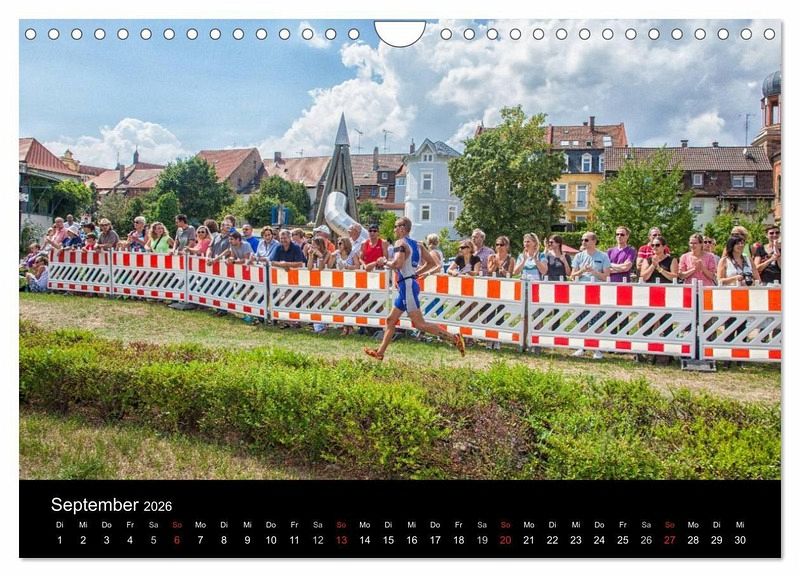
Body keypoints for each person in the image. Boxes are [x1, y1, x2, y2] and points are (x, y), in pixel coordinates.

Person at [364, 217, 465, 361]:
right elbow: (431, 263)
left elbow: (398, 264)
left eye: (396, 226)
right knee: (391, 320)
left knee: (419, 324)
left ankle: (454, 339)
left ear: (402, 228)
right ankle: (380, 352)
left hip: (407, 287)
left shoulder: (400, 243)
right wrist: (415, 273)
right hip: (408, 285)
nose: (394, 229)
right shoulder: (418, 245)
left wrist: (384, 261)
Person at [569, 232, 610, 360]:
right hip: (581, 291)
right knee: (581, 319)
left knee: (597, 320)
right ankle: (582, 346)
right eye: (582, 240)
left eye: (586, 240)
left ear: (594, 241)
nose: (583, 242)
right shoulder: (579, 256)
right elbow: (572, 276)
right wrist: (582, 271)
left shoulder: (603, 256)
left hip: (597, 291)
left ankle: (597, 349)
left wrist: (594, 272)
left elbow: (606, 276)